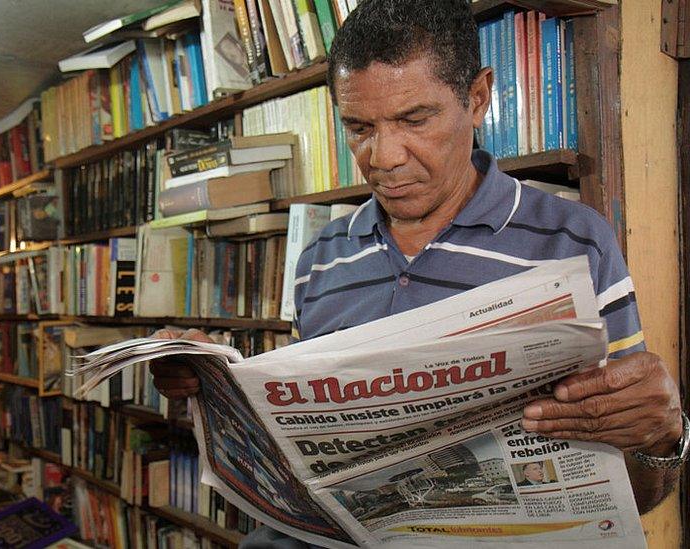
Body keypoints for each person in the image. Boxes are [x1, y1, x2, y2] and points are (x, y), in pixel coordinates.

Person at [150, 0, 687, 546]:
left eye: (414, 119)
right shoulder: (321, 257)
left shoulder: (574, 241)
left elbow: (637, 490)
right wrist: (216, 393)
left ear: (477, 98)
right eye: (358, 127)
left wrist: (662, 437)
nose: (383, 157)